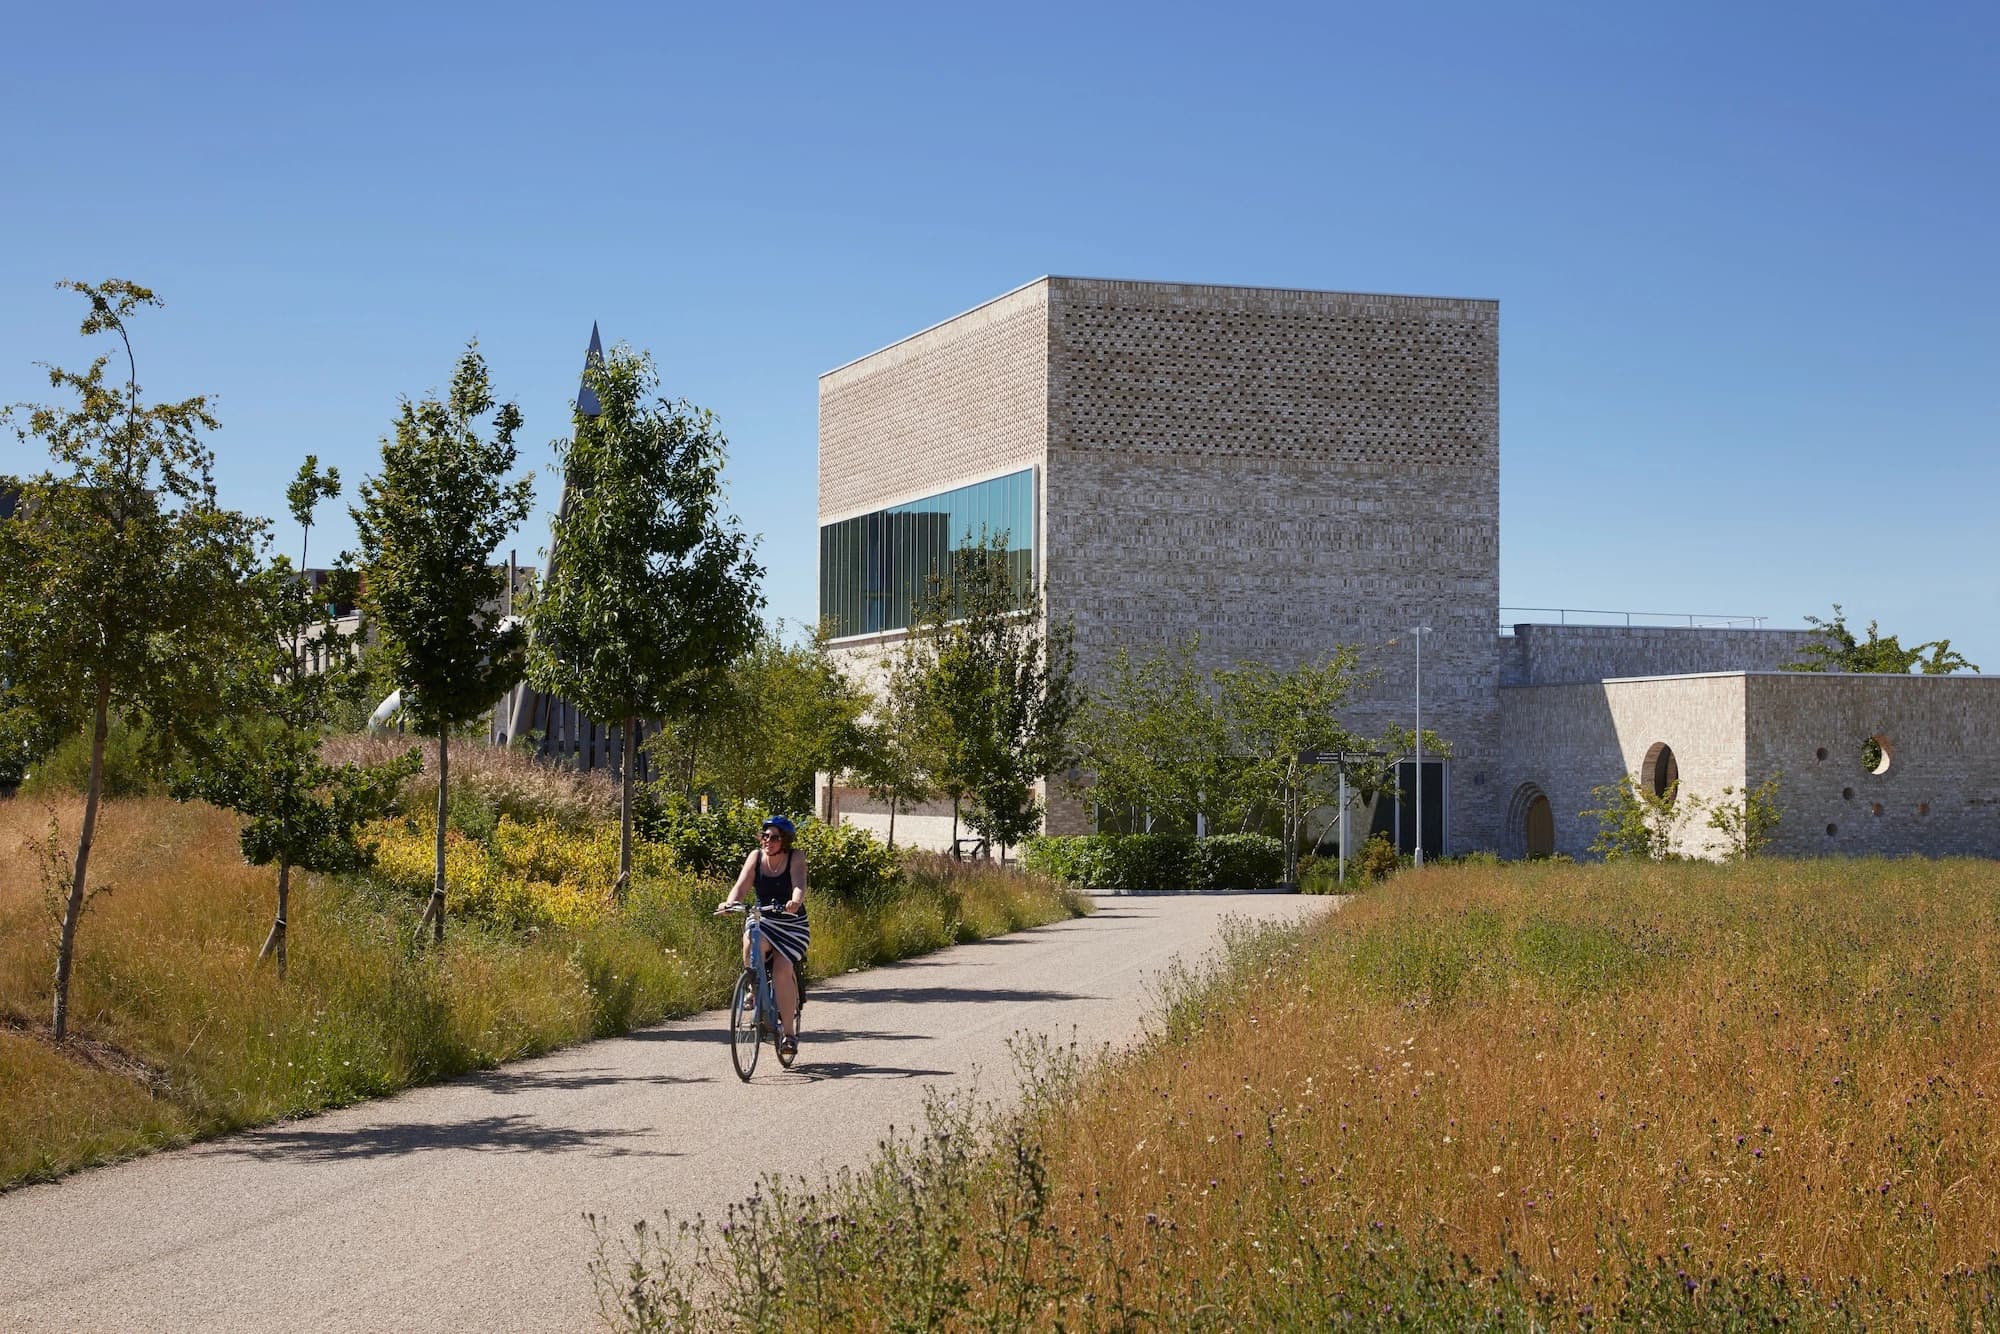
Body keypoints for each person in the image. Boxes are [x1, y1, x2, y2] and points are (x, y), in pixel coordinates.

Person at [717, 815, 809, 1056]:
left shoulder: (795, 857)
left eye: (774, 837)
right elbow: (742, 885)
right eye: (765, 835)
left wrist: (795, 901)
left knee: (781, 971)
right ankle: (753, 988)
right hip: (763, 917)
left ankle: (788, 1035)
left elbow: (799, 883)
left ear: (785, 840)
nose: (768, 840)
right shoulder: (756, 857)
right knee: (751, 940)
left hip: (790, 922)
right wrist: (730, 903)